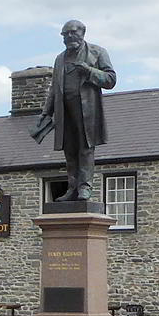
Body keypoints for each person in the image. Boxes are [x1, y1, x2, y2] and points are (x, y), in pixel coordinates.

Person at [35, 20, 117, 201]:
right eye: (65, 34)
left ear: (83, 32)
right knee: (70, 150)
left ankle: (85, 188)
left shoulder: (97, 52)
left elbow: (110, 80)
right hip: (64, 111)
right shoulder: (60, 58)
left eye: (73, 33)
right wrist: (45, 113)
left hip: (87, 111)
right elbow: (54, 89)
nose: (69, 37)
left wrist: (88, 71)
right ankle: (72, 188)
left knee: (86, 149)